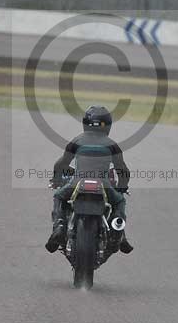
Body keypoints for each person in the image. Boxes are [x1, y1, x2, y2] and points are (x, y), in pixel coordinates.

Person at [45, 105, 133, 255]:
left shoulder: (77, 140)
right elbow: (122, 170)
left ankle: (59, 226)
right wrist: (122, 188)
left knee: (58, 196)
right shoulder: (111, 144)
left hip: (77, 182)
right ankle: (118, 231)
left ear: (85, 124)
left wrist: (56, 178)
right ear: (108, 125)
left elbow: (61, 164)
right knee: (119, 201)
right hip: (104, 184)